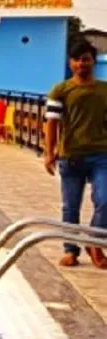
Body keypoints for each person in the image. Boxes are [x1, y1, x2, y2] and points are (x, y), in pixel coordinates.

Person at [44, 40, 107, 267]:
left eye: (86, 59)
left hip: (101, 154)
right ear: (71, 63)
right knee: (70, 206)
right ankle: (71, 249)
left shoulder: (104, 90)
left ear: (93, 61)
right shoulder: (60, 90)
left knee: (105, 201)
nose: (82, 63)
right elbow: (52, 123)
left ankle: (94, 241)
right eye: (78, 59)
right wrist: (49, 152)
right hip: (71, 155)